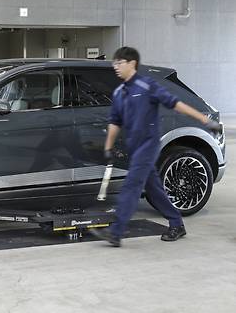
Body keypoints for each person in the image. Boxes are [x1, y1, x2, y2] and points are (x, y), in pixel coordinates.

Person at [91, 47, 221, 247]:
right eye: (114, 63)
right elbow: (114, 122)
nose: (115, 67)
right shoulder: (119, 92)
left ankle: (116, 232)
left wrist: (205, 120)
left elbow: (176, 104)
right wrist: (108, 147)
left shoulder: (147, 85)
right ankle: (177, 224)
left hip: (148, 144)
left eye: (119, 63)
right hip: (133, 148)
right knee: (154, 189)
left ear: (132, 63)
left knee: (132, 184)